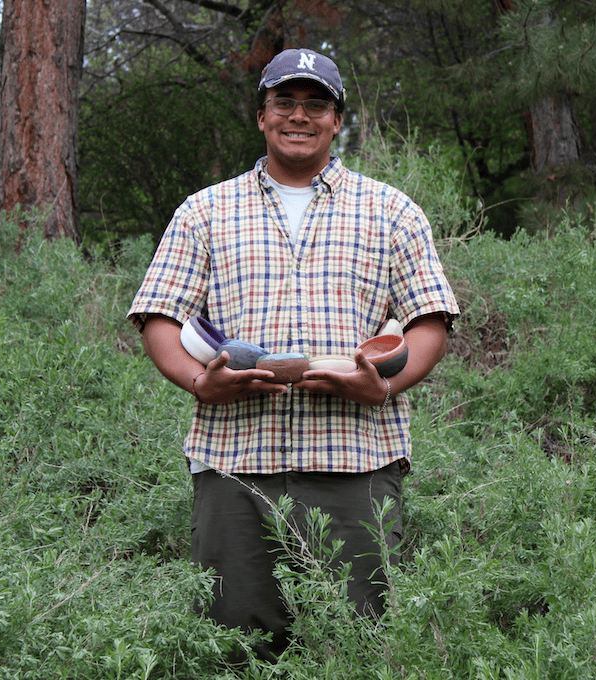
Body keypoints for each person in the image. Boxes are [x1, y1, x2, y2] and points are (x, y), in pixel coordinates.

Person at [127, 48, 459, 659]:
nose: (298, 116)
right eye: (284, 102)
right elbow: (159, 319)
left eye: (315, 105)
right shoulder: (203, 212)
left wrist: (383, 386)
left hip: (356, 466)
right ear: (262, 117)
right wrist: (201, 383)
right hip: (234, 468)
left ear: (337, 120)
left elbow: (428, 322)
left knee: (353, 645)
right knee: (234, 650)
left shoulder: (392, 212)